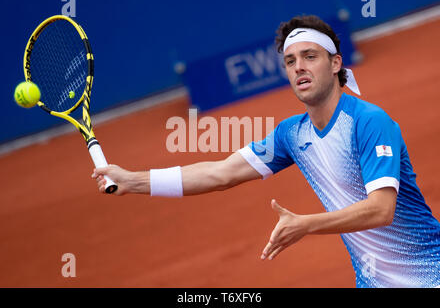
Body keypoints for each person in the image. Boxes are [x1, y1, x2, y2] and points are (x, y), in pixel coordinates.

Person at [92, 15, 440, 288]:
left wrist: (306, 225)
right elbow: (221, 173)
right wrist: (134, 180)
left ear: (335, 64)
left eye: (309, 57)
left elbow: (381, 210)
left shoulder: (369, 122)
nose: (299, 67)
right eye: (290, 61)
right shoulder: (292, 134)